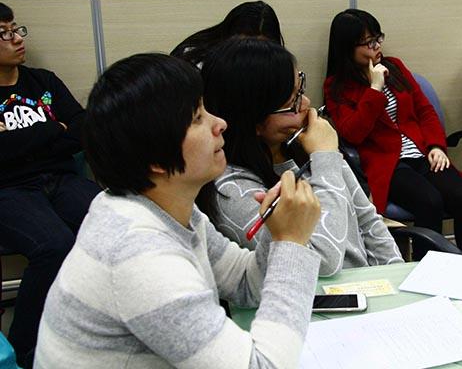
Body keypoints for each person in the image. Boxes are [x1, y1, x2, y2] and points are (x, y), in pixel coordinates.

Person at [35, 53, 322, 368]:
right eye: (197, 117)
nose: (220, 123)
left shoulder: (160, 207)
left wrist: (278, 232)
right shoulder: (138, 255)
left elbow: (243, 282)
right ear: (157, 158)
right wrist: (291, 243)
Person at [200, 37, 402, 275]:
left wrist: (396, 276)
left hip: (369, 287)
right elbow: (321, 263)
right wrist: (325, 157)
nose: (306, 103)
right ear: (253, 120)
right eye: (292, 102)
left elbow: (368, 221)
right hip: (315, 295)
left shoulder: (304, 144)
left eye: (301, 90)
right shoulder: (232, 191)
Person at [324, 8, 462, 257]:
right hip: (388, 165)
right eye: (368, 43)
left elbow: (425, 111)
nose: (377, 47)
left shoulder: (395, 67)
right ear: (347, 48)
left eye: (378, 38)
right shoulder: (337, 87)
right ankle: (427, 266)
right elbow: (352, 133)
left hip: (422, 153)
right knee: (430, 201)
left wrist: (436, 146)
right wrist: (374, 89)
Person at [0, 2, 100, 367]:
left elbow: (83, 129)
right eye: (3, 33)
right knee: (55, 245)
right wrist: (51, 130)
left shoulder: (44, 81)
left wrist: (18, 142)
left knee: (119, 220)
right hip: (10, 190)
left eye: (16, 29)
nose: (16, 38)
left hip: (61, 179)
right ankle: (24, 349)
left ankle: (102, 328)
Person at [170, 0, 284, 67]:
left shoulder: (275, 62)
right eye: (244, 44)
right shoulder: (194, 59)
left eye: (260, 47)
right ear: (228, 35)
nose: (250, 52)